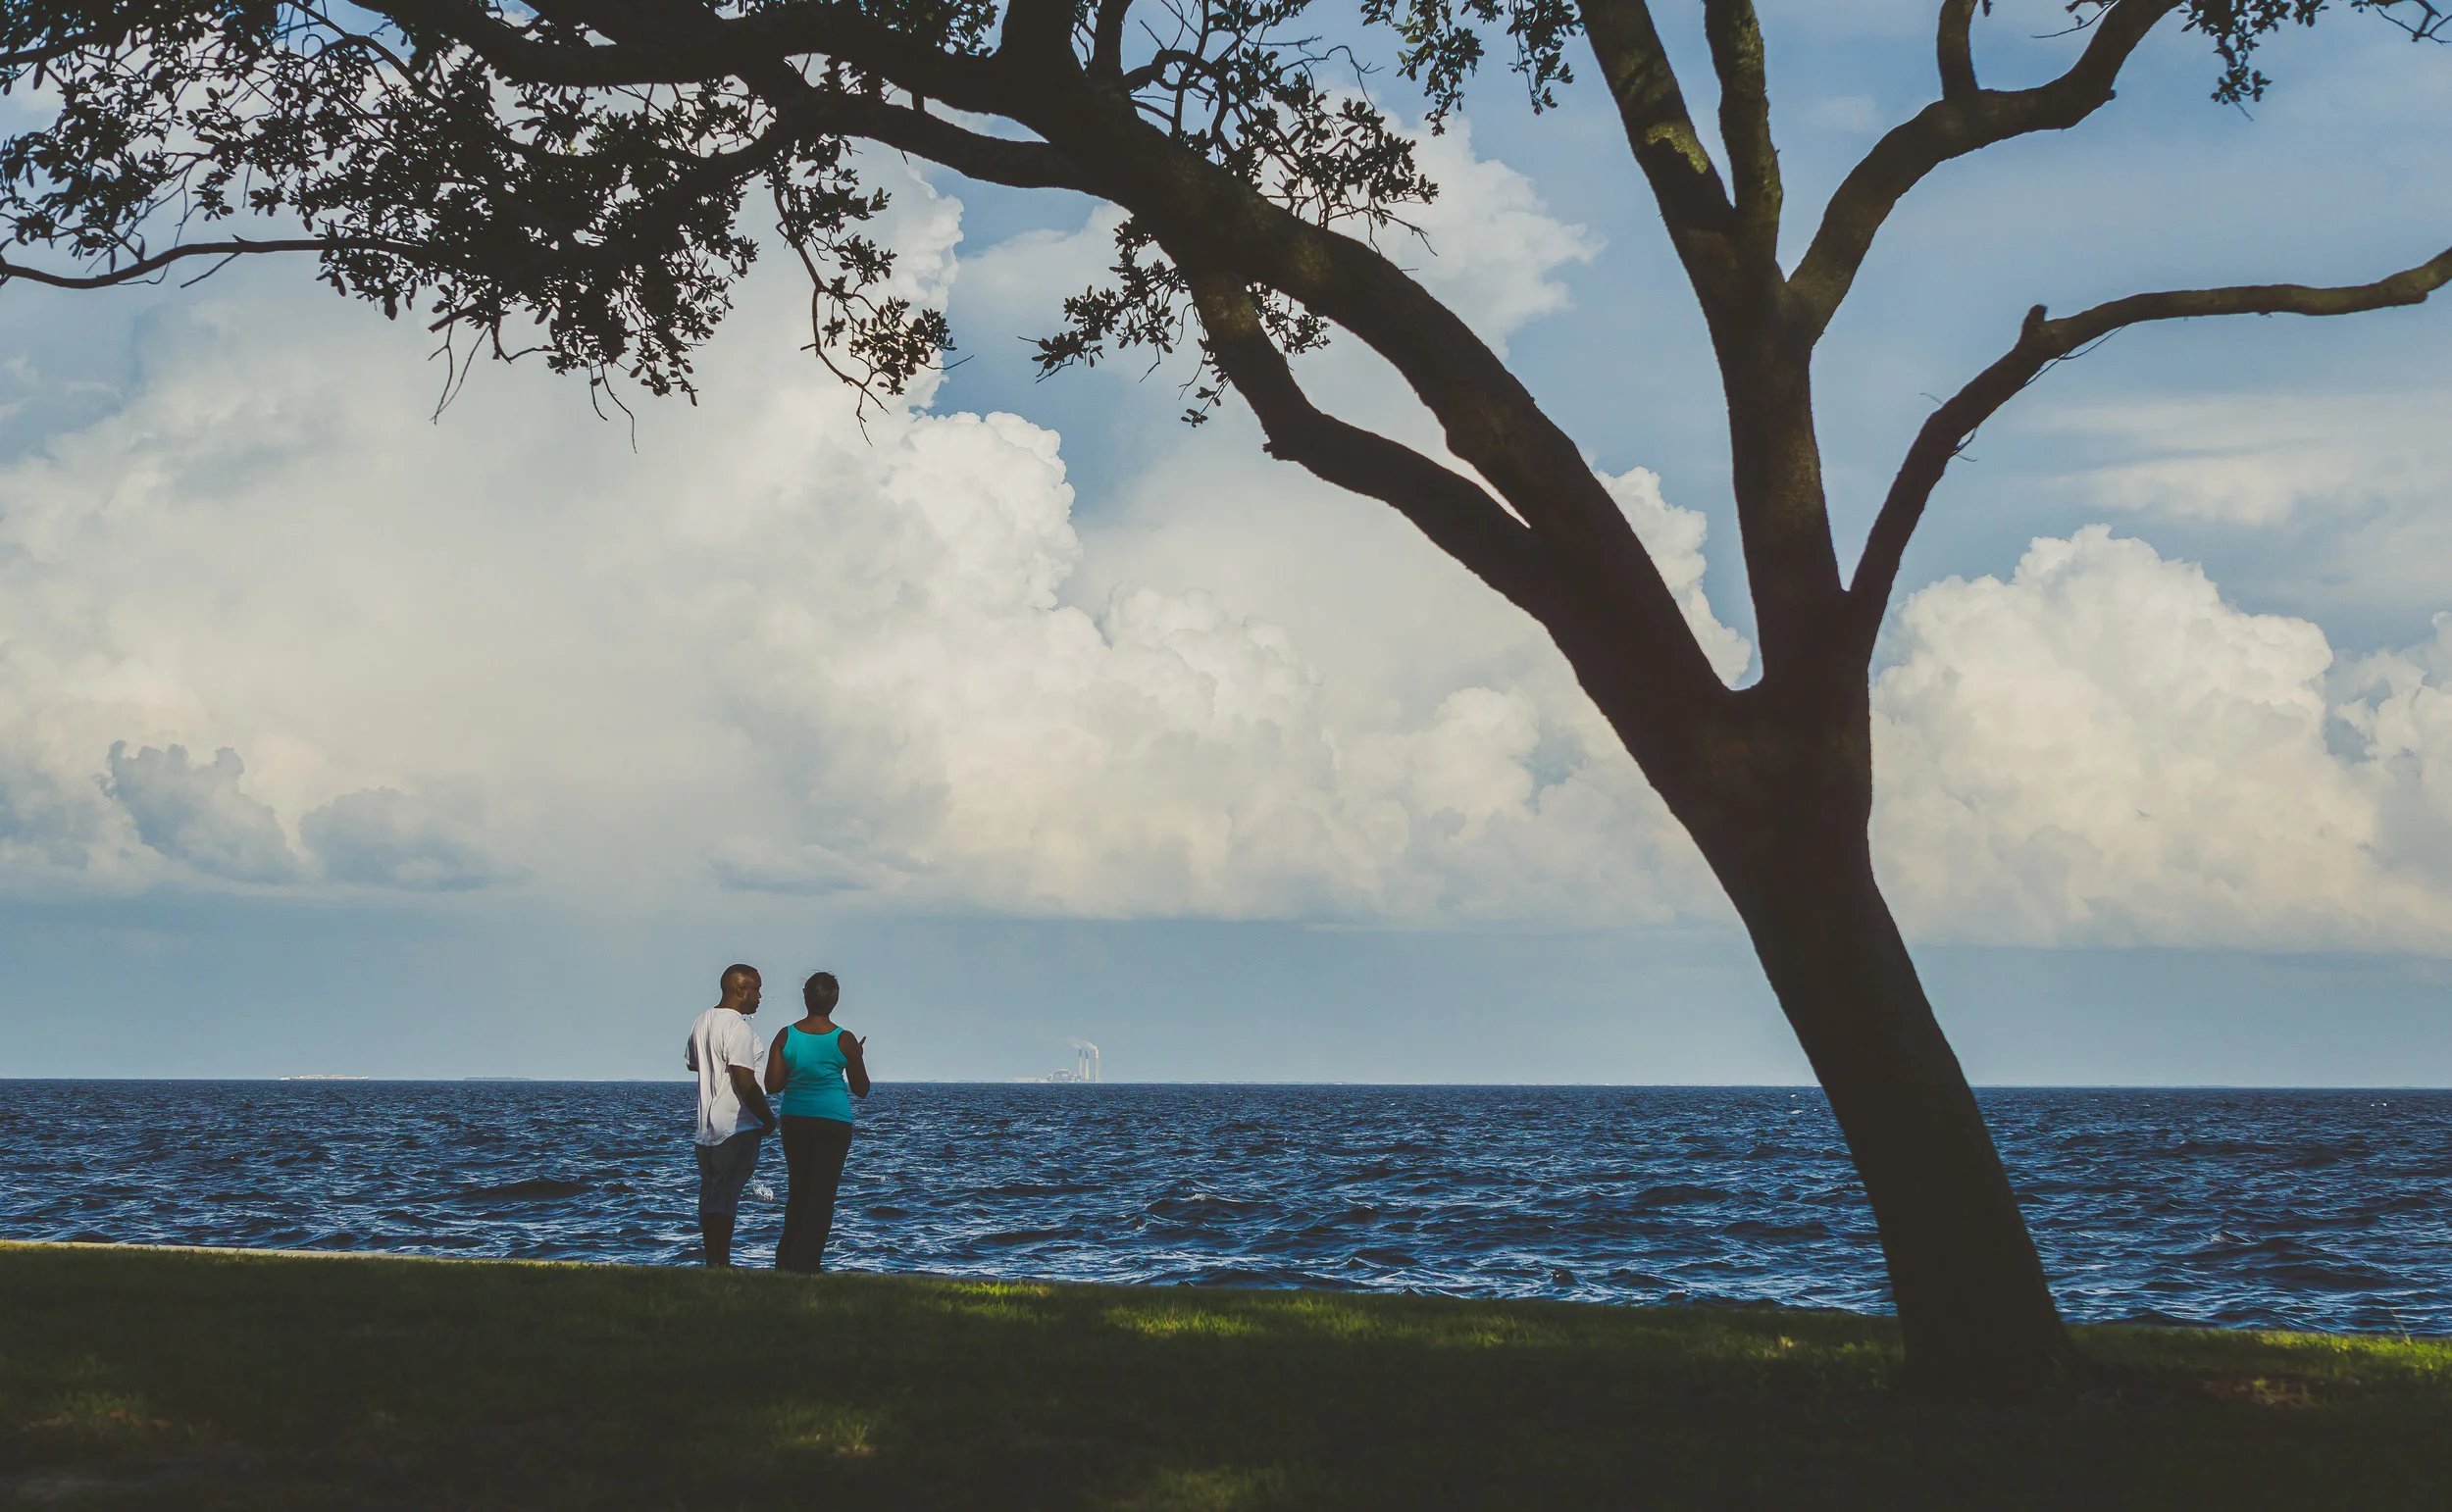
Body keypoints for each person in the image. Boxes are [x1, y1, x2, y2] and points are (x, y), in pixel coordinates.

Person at [763, 970, 871, 1273]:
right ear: (835, 1001)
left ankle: (785, 1262)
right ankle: (807, 1264)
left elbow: (772, 1085)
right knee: (822, 1196)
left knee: (798, 1191)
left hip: (795, 1118)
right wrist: (856, 1056)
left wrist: (798, 1068)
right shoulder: (845, 1040)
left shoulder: (786, 1035)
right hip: (833, 1121)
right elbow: (861, 1089)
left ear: (805, 997)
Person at [683, 963, 777, 1268]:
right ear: (740, 990)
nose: (760, 996)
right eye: (757, 989)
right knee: (726, 1200)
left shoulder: (702, 1021)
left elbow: (693, 1063)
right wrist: (768, 1117)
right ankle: (720, 1264)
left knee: (711, 1195)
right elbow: (743, 1079)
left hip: (706, 1128)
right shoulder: (739, 1028)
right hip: (735, 1126)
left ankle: (714, 1260)